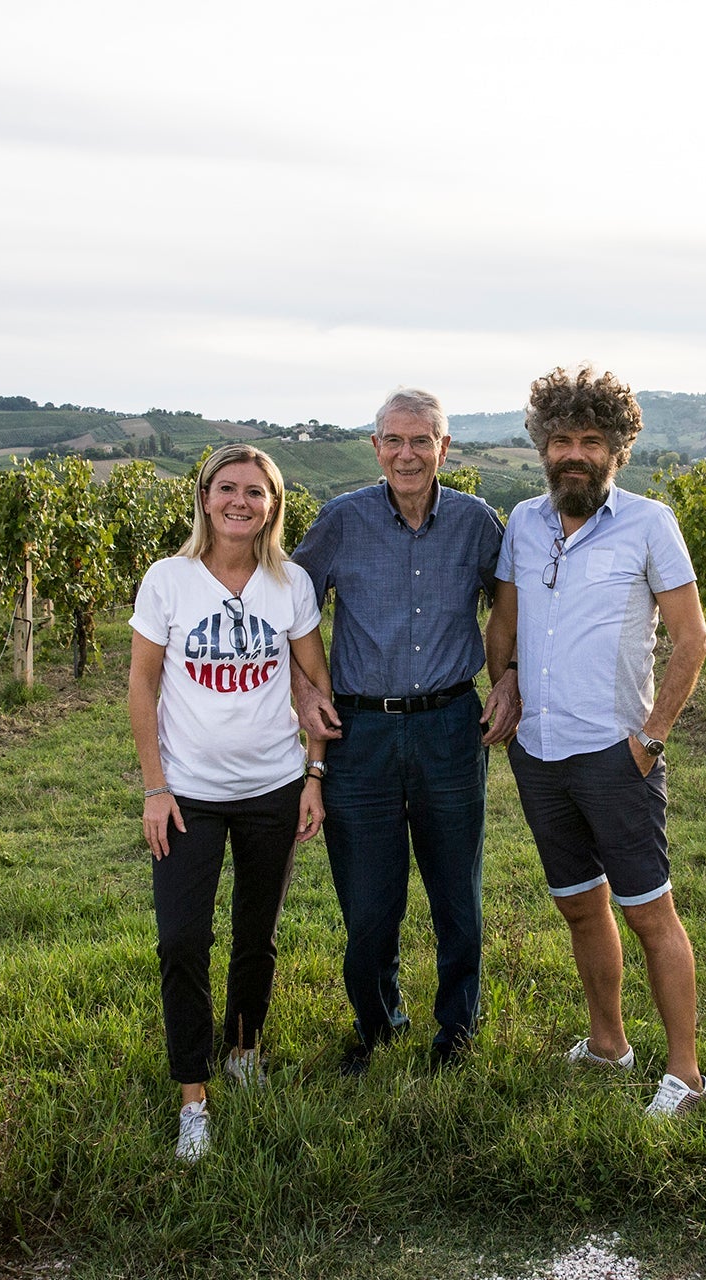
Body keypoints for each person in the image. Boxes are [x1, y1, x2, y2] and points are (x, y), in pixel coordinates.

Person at [483, 365, 706, 1117]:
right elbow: (505, 625)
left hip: (618, 757)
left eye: (589, 440)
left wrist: (648, 741)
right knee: (581, 906)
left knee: (650, 912)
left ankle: (685, 1074)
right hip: (540, 757)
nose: (572, 453)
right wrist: (508, 679)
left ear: (615, 448)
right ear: (542, 447)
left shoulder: (651, 524)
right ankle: (610, 1043)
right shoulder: (522, 523)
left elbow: (691, 642)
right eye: (559, 440)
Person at [290, 388, 513, 1073]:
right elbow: (286, 605)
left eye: (422, 441)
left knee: (458, 897)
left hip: (451, 725)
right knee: (368, 905)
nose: (407, 454)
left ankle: (458, 1032)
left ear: (445, 448)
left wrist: (511, 679)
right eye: (394, 440)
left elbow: (514, 607)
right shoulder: (340, 521)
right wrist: (301, 688)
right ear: (376, 447)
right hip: (361, 733)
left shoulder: (478, 522)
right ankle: (379, 1025)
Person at [127, 443, 333, 1163]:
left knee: (257, 934)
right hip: (188, 797)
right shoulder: (168, 580)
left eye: (256, 491)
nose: (239, 501)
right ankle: (194, 1096)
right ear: (204, 497)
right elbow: (141, 687)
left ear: (274, 505)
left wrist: (314, 776)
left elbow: (316, 686)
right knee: (181, 940)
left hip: (273, 789)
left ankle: (243, 1049)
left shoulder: (292, 584)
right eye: (227, 488)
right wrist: (155, 788)